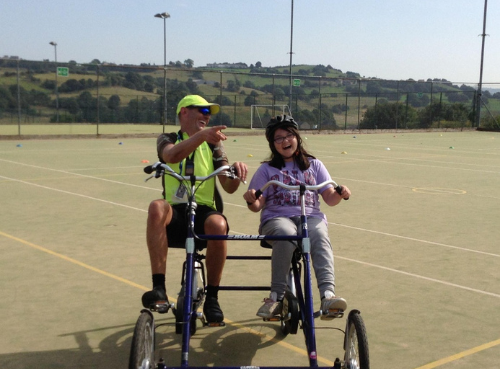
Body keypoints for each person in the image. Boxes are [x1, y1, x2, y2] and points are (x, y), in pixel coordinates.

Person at [142, 95, 248, 323]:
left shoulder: (213, 144)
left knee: (218, 224)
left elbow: (228, 187)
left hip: (203, 211)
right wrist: (200, 136)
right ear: (183, 112)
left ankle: (212, 297)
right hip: (176, 212)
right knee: (156, 207)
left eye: (208, 112)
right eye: (201, 110)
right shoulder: (167, 138)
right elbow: (170, 155)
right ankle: (159, 288)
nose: (206, 115)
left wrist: (236, 173)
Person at [243, 115, 350, 320]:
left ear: (297, 137)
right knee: (286, 234)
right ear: (272, 144)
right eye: (278, 138)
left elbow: (330, 198)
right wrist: (251, 199)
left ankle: (328, 295)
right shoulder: (267, 169)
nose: (285, 141)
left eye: (289, 135)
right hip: (277, 219)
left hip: (309, 216)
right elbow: (257, 205)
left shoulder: (315, 165)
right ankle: (275, 297)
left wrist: (341, 192)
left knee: (318, 233)